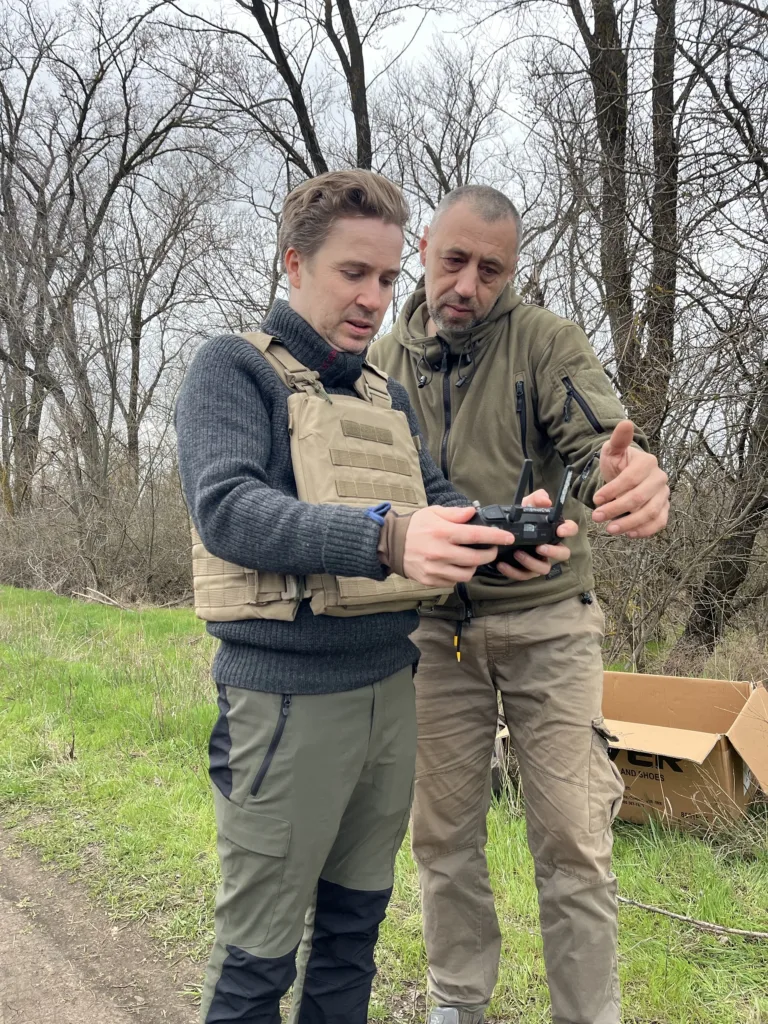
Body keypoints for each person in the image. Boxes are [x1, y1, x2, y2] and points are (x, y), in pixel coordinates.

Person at [175, 170, 578, 1024]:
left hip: (392, 698)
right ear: (294, 262)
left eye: (390, 278)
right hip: (285, 703)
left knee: (354, 937)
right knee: (257, 959)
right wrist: (388, 538)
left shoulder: (381, 395)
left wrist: (503, 539)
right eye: (353, 274)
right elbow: (228, 510)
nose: (373, 298)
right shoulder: (231, 369)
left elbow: (438, 509)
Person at [368, 185, 670, 1024]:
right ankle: (458, 1002)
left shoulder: (547, 343)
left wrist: (630, 476)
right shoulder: (381, 364)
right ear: (425, 246)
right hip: (432, 631)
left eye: (490, 270)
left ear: (511, 272)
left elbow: (598, 448)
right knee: (442, 835)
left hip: (549, 625)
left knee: (575, 837)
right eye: (454, 260)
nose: (467, 284)